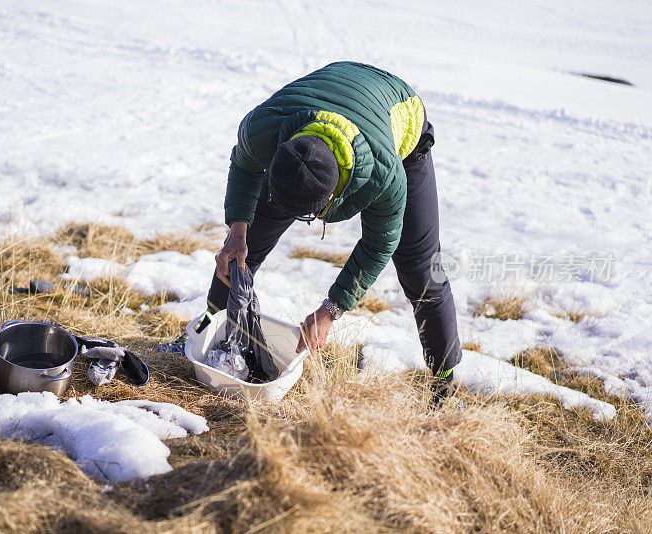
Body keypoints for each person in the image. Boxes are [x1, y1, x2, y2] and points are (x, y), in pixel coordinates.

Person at [169, 61, 462, 402]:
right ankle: (204, 333)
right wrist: (237, 231)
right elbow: (245, 164)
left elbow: (380, 244)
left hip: (398, 116)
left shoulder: (385, 175)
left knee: (420, 265)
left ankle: (445, 381)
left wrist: (330, 311)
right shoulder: (263, 127)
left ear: (333, 198)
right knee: (247, 245)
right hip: (324, 102)